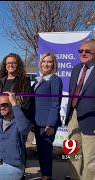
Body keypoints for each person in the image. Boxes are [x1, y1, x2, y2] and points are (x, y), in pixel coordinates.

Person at [65, 39, 95, 180]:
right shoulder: (76, 69)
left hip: (91, 120)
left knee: (91, 161)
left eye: (88, 51)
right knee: (72, 153)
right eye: (81, 51)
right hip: (73, 117)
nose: (83, 53)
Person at [33, 53, 62, 180]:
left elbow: (56, 104)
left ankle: (47, 176)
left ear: (54, 64)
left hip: (47, 123)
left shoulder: (55, 79)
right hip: (38, 121)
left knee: (45, 151)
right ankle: (44, 172)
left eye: (49, 62)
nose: (46, 64)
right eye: (44, 61)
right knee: (40, 150)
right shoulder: (41, 79)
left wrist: (50, 124)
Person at [0, 53, 34, 122]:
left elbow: (27, 102)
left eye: (14, 63)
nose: (11, 65)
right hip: (2, 118)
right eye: (8, 63)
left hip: (17, 119)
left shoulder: (24, 80)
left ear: (18, 65)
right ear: (5, 66)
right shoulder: (1, 81)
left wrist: (22, 118)